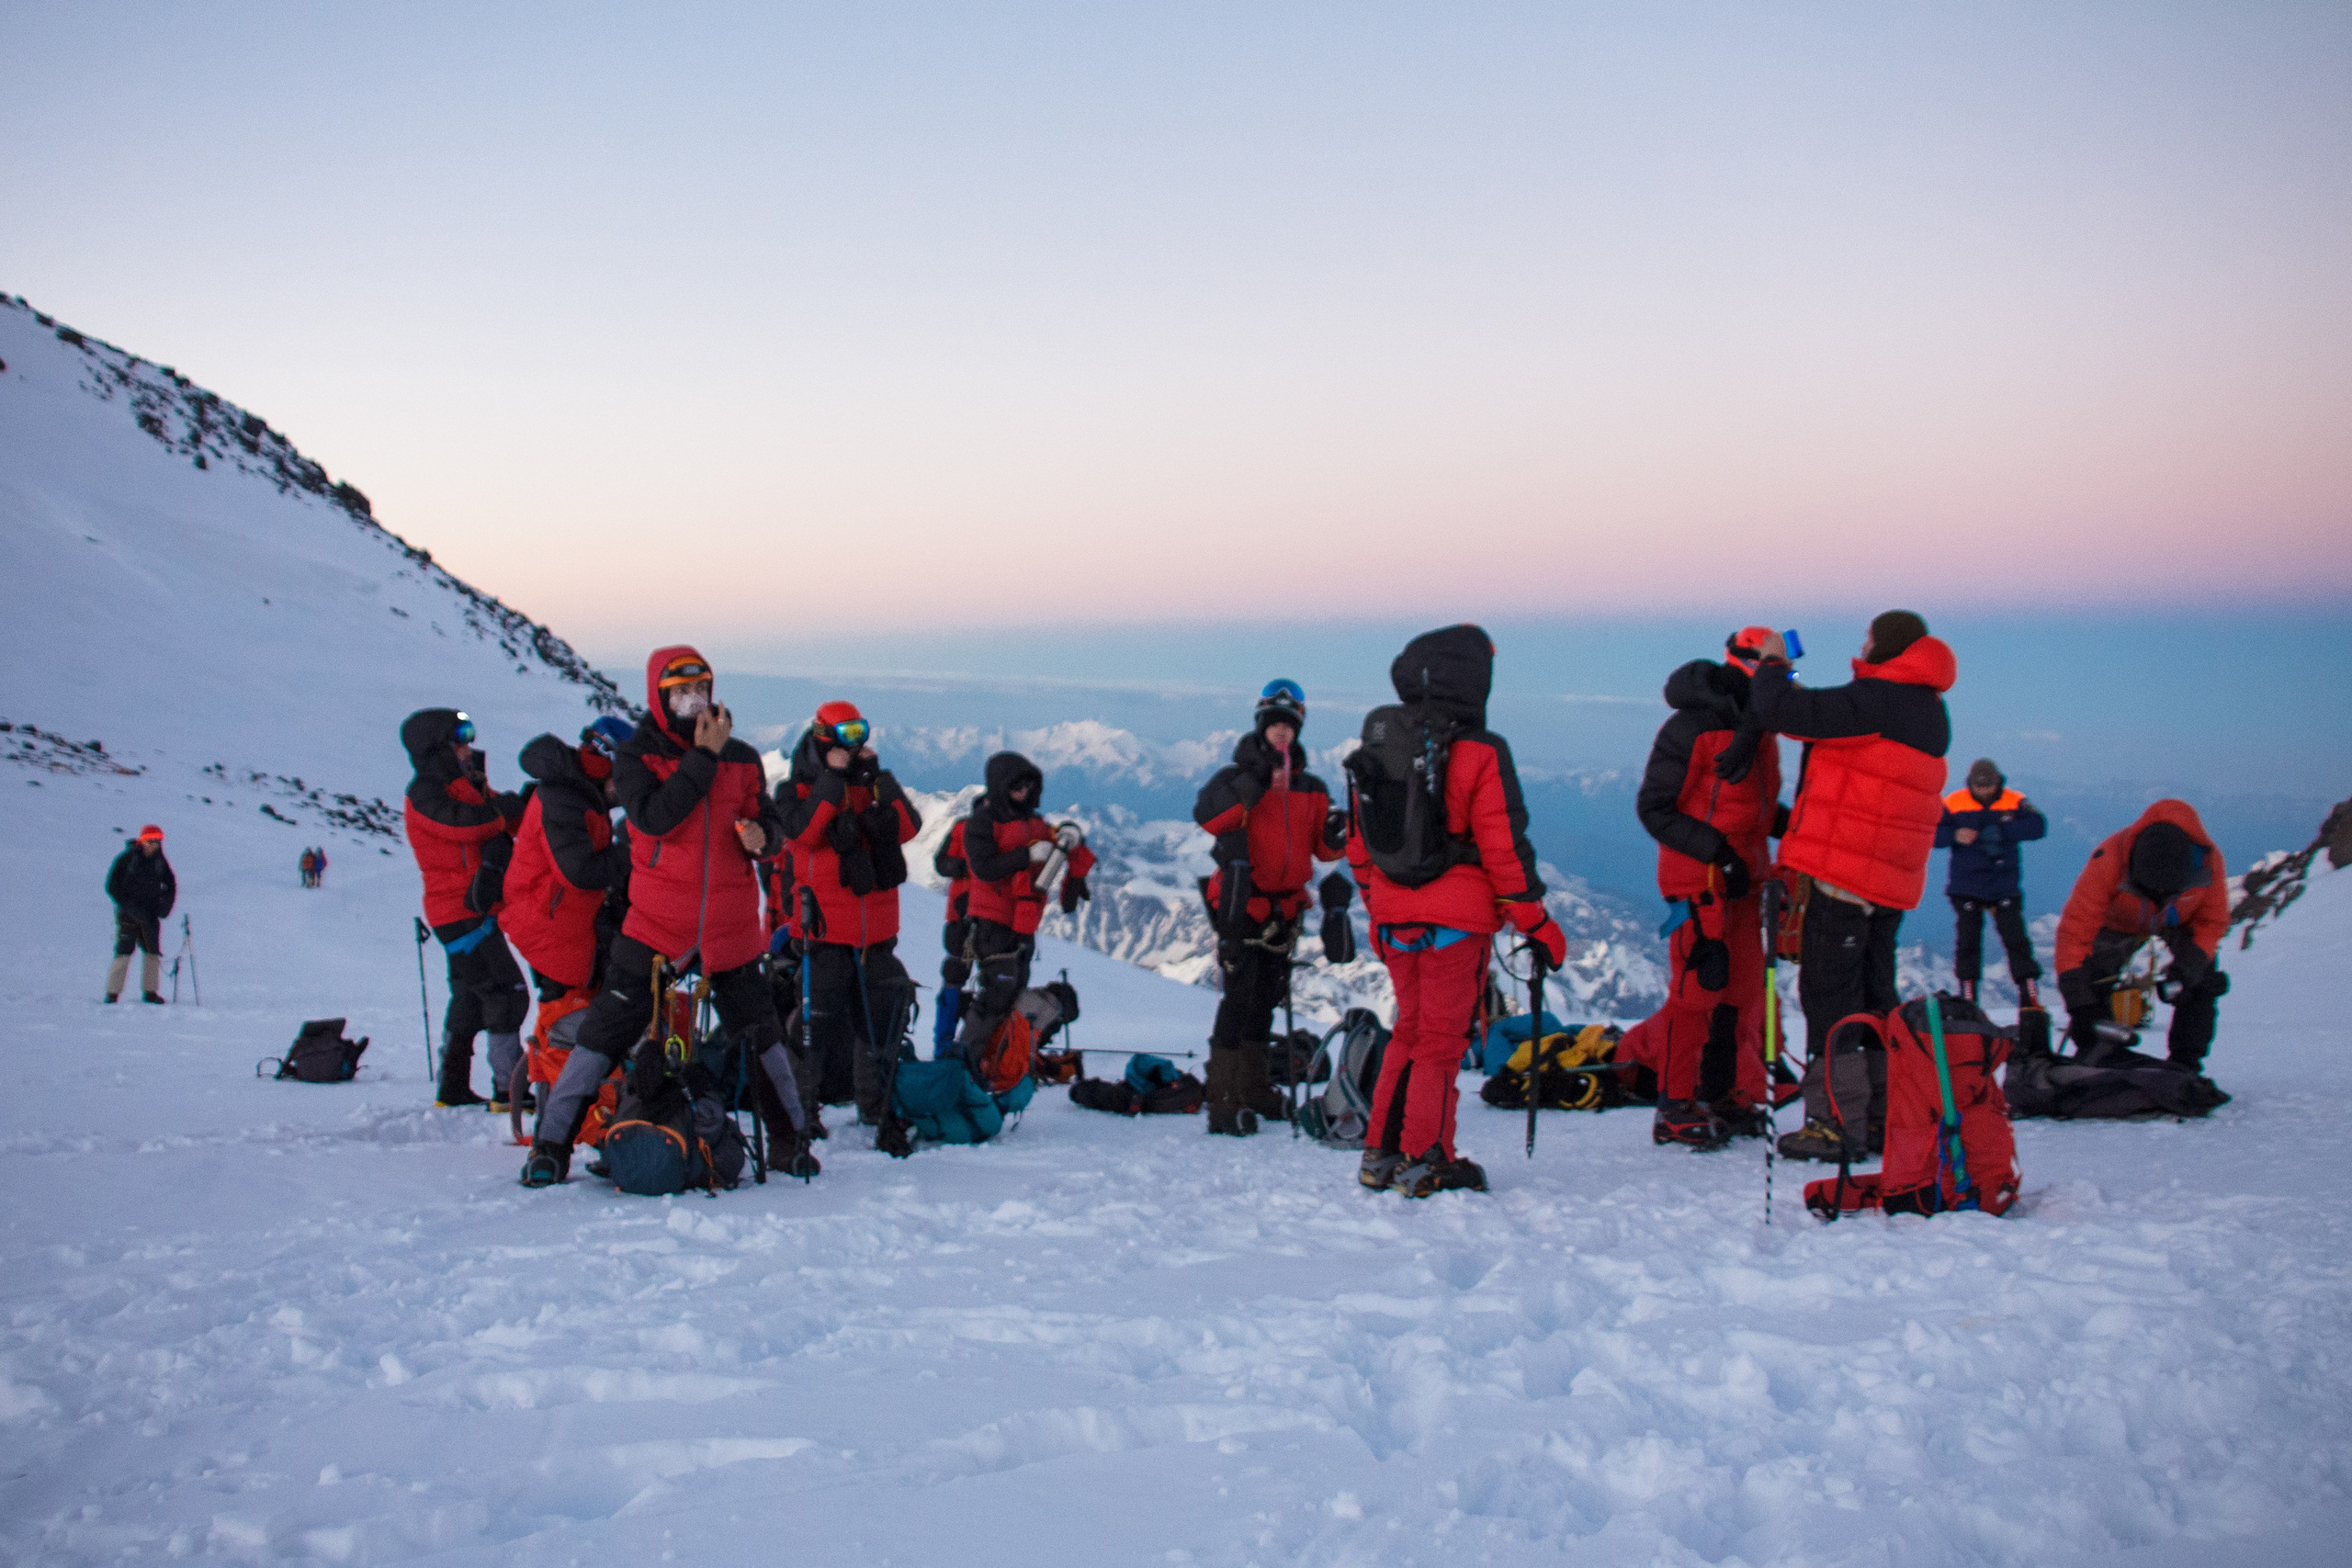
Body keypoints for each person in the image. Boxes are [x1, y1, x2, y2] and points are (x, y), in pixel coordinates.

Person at [522, 649, 813, 1187]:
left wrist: (764, 837)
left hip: (727, 927)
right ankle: (550, 1146)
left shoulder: (743, 759)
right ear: (658, 697)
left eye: (700, 690)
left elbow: (768, 821)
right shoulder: (637, 758)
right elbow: (654, 820)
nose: (691, 701)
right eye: (679, 693)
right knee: (604, 1033)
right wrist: (703, 757)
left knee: (763, 1034)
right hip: (656, 923)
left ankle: (794, 1142)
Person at [1346, 626, 1567, 1197]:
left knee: (1410, 1033)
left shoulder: (1381, 741)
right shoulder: (1480, 750)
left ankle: (1381, 1154)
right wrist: (1536, 923)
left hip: (1395, 918)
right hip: (1455, 921)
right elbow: (1503, 847)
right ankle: (1428, 1159)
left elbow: (1358, 843)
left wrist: (1379, 904)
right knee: (1443, 1041)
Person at [1744, 612, 1955, 1163]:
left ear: (1887, 646)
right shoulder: (1927, 707)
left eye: (1869, 638)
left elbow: (1787, 712)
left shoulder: (1882, 698)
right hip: (1889, 881)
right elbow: (1825, 717)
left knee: (1830, 997)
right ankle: (1884, 1116)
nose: (1862, 645)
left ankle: (1834, 1123)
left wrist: (1773, 663)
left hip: (1845, 877)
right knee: (1875, 996)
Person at [1631, 628, 1786, 1149]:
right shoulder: (1690, 726)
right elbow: (1655, 809)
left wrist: (1802, 827)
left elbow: (1757, 812)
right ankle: (1674, 1105)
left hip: (1747, 876)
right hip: (1698, 879)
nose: (1780, 678)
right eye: (1773, 668)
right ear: (1743, 665)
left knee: (1740, 993)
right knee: (1697, 991)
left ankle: (1722, 1094)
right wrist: (1718, 853)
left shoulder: (1759, 729)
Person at [1192, 679, 1344, 1134]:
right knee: (1238, 1001)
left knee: (1265, 1000)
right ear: (1261, 725)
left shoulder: (1311, 787)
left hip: (1286, 908)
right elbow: (1212, 820)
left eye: (1288, 725)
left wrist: (1342, 830)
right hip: (1242, 904)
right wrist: (1253, 783)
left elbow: (1323, 849)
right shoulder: (1234, 778)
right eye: (1274, 724)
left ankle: (1254, 1090)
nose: (1281, 732)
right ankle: (1223, 1099)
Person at [773, 701, 922, 1127]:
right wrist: (833, 779)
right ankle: (800, 1113)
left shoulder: (870, 787)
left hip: (876, 932)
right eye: (846, 735)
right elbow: (802, 833)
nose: (855, 745)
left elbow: (909, 828)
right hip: (822, 934)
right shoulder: (795, 791)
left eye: (861, 734)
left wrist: (882, 780)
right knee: (810, 1029)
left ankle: (877, 1108)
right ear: (823, 738)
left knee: (879, 1025)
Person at [401, 708, 529, 1107]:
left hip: (469, 907)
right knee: (506, 992)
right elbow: (468, 825)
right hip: (460, 911)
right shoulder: (425, 791)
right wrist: (502, 812)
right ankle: (510, 1088)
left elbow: (500, 814)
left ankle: (452, 1087)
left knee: (471, 997)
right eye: (460, 739)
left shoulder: (466, 783)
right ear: (437, 745)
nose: (467, 747)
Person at [2055, 800, 2230, 1075]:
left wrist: (2188, 967)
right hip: (2118, 921)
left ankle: (2185, 1064)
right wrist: (2079, 1000)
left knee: (2201, 980)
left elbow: (2211, 922)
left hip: (2181, 921)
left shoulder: (2209, 863)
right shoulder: (2109, 859)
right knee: (2092, 977)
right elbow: (2075, 932)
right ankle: (2096, 1051)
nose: (2156, 900)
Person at [954, 751, 1094, 1057]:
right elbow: (983, 868)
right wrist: (1025, 856)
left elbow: (1059, 840)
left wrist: (1070, 836)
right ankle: (966, 1060)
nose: (1024, 792)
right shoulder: (982, 823)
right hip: (993, 923)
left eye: (1029, 786)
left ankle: (999, 1059)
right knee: (996, 995)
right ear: (1000, 787)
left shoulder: (1034, 822)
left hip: (1024, 922)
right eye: (1017, 786)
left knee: (1013, 992)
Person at [498, 719, 635, 1007]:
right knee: (564, 1025)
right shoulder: (564, 799)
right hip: (551, 928)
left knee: (576, 1020)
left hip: (562, 923)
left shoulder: (583, 794)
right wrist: (632, 852)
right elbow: (581, 871)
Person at [1934, 758, 2046, 1005]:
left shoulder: (2014, 800)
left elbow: (2038, 826)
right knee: (1968, 944)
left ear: (1998, 782)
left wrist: (2004, 831)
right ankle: (1968, 999)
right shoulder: (1953, 802)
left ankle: (2030, 998)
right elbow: (1931, 833)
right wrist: (1954, 835)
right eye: (1979, 786)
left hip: (2003, 884)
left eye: (1989, 786)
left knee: (2016, 940)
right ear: (1970, 783)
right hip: (1967, 885)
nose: (1984, 791)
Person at [104, 825, 176, 1003]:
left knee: (152, 952)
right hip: (128, 915)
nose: (154, 845)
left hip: (150, 914)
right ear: (142, 841)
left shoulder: (161, 862)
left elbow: (171, 885)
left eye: (158, 841)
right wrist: (127, 906)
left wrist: (164, 907)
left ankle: (150, 992)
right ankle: (113, 994)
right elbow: (112, 886)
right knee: (123, 952)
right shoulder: (127, 859)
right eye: (151, 841)